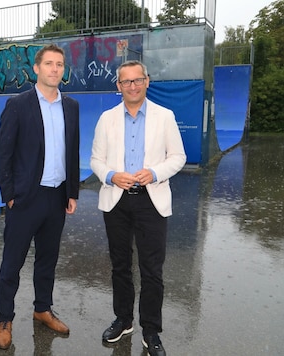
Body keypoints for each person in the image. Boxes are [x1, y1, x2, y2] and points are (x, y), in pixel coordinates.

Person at [90, 60, 186, 356]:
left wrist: (155, 173)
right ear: (118, 86)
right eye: (126, 82)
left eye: (137, 80)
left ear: (147, 81)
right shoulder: (106, 118)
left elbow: (178, 156)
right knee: (120, 265)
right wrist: (111, 176)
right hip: (116, 199)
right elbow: (96, 160)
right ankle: (123, 319)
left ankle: (151, 330)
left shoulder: (165, 116)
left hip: (151, 200)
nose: (132, 86)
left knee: (151, 269)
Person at [0, 43, 80, 350]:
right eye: (49, 64)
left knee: (48, 259)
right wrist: (10, 196)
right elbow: (2, 153)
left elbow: (72, 151)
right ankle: (5, 319)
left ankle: (42, 308)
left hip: (56, 198)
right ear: (37, 69)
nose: (55, 69)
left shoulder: (71, 106)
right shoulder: (18, 104)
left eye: (60, 64)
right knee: (12, 263)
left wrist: (72, 192)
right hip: (25, 199)